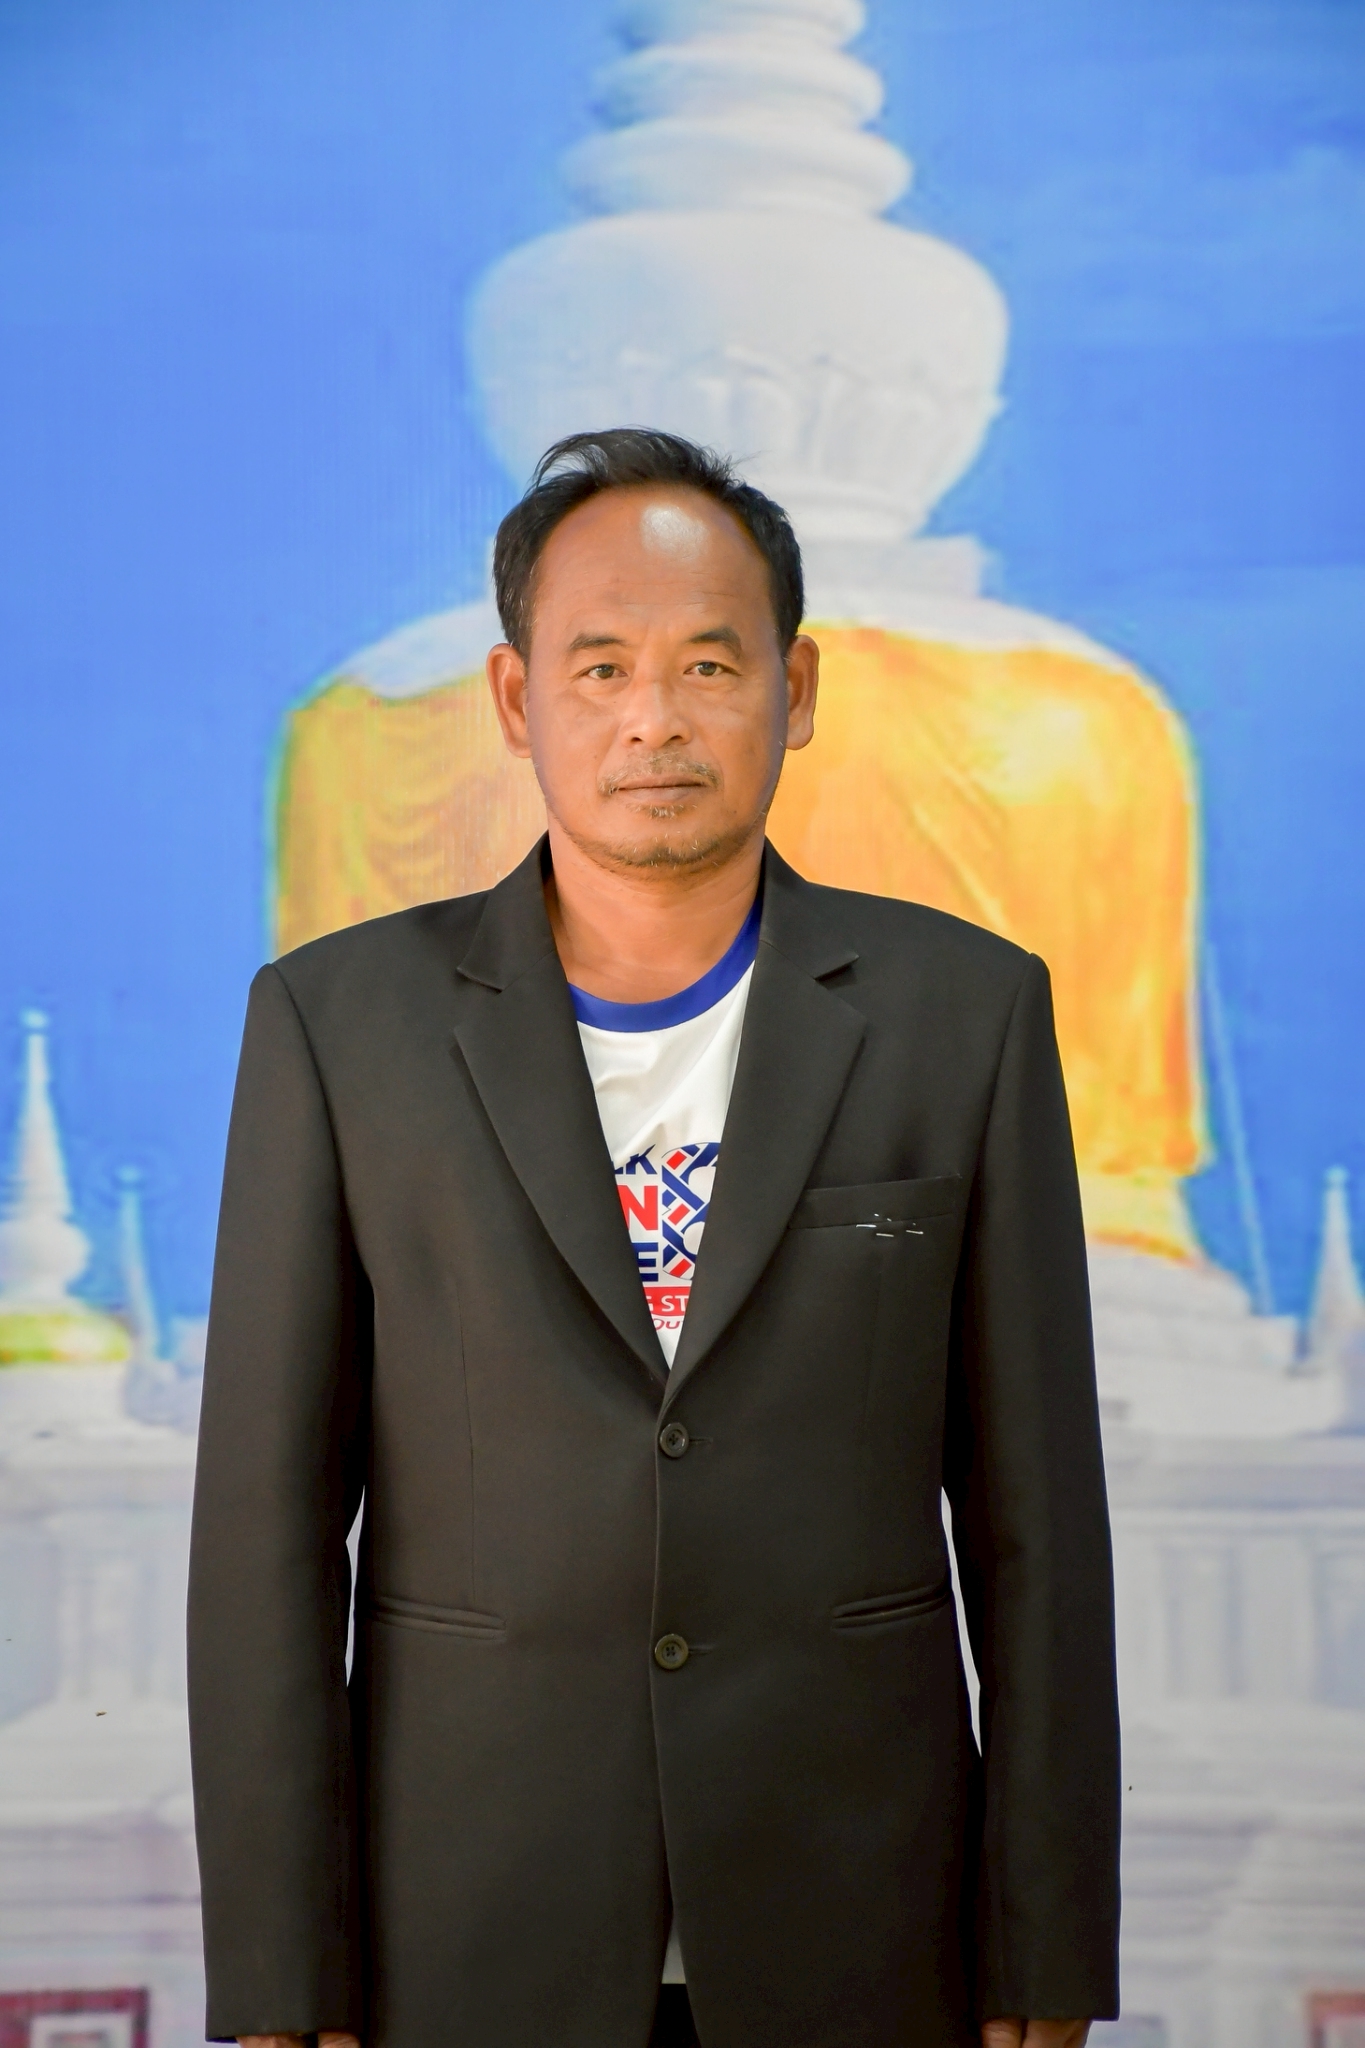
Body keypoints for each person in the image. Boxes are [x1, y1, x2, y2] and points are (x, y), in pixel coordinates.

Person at [188, 428, 1121, 2048]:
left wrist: (1044, 1949)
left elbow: (1037, 1526)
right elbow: (264, 1539)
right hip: (464, 1920)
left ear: (796, 689)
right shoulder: (339, 1028)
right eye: (600, 666)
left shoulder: (961, 1016)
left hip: (858, 1909)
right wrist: (282, 1973)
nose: (654, 719)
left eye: (708, 663)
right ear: (513, 700)